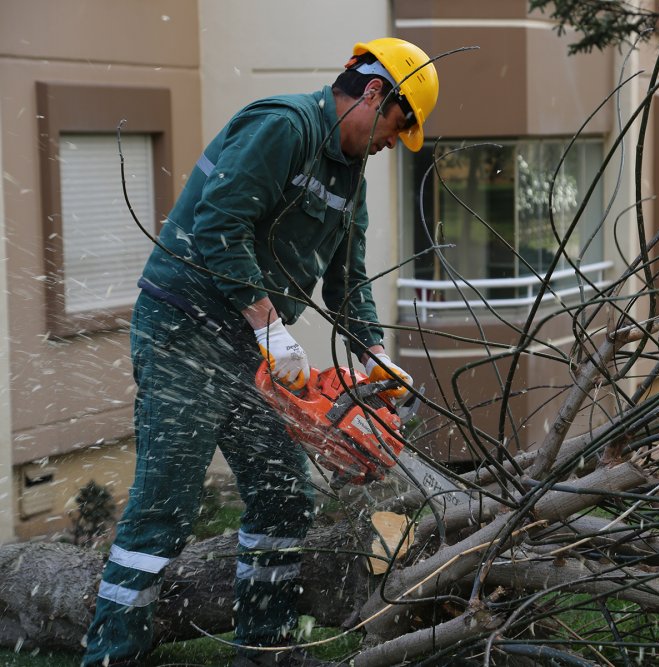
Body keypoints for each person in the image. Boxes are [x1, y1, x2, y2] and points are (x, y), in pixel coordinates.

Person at [82, 37, 439, 667]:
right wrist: (270, 325)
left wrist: (374, 354)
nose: (393, 143)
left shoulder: (350, 173)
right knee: (166, 504)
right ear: (376, 92)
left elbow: (347, 278)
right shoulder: (283, 126)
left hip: (250, 346)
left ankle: (264, 647)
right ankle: (113, 654)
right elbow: (220, 223)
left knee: (285, 494)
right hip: (184, 327)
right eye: (396, 126)